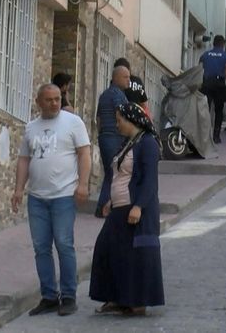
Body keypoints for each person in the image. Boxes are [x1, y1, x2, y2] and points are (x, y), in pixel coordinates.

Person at [11, 84, 92, 316]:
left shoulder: (73, 122)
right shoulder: (31, 127)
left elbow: (84, 153)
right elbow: (24, 159)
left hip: (64, 195)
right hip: (37, 198)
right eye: (49, 100)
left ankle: (68, 296)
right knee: (41, 248)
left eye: (57, 99)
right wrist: (18, 189)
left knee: (64, 245)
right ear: (38, 102)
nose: (55, 103)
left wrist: (83, 184)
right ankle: (48, 296)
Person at [89, 103, 165, 316]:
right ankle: (115, 297)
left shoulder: (147, 143)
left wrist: (139, 206)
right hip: (119, 208)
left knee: (137, 257)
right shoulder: (127, 144)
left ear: (131, 120)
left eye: (119, 119)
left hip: (136, 209)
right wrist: (108, 200)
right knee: (108, 250)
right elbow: (115, 174)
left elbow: (149, 180)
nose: (116, 124)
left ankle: (137, 301)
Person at [96, 66, 130, 215]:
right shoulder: (117, 94)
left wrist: (101, 133)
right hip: (114, 137)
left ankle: (103, 207)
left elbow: (98, 119)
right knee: (114, 173)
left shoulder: (104, 95)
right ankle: (103, 208)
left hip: (105, 137)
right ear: (116, 78)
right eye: (126, 77)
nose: (129, 80)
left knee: (110, 173)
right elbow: (121, 114)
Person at [199, 35, 226, 144]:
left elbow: (199, 70)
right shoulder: (225, 56)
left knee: (205, 110)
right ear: (223, 44)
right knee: (218, 111)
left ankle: (203, 136)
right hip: (219, 84)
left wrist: (199, 85)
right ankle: (216, 136)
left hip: (207, 84)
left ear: (213, 43)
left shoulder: (205, 55)